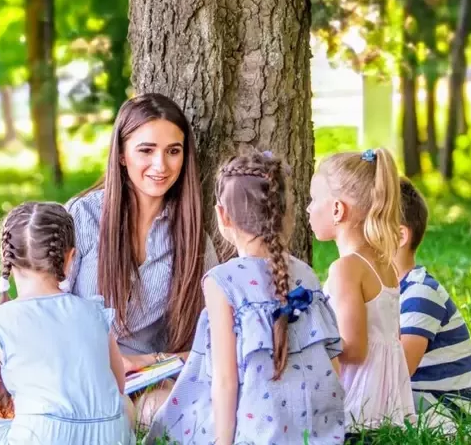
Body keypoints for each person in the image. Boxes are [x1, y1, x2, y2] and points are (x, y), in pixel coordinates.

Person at [145, 151, 346, 445]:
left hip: (254, 431)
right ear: (285, 214)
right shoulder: (305, 275)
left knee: (175, 418)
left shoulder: (222, 282)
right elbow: (332, 362)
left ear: (222, 215)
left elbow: (225, 381)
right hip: (316, 430)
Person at [65, 93, 217, 423]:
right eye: (146, 150)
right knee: (114, 414)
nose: (161, 165)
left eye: (173, 151)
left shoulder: (190, 235)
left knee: (166, 412)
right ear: (121, 154)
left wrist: (155, 360)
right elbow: (46, 311)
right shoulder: (83, 216)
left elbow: (214, 330)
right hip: (78, 372)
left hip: (148, 379)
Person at [0, 202, 134, 444]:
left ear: (7, 258)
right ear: (70, 258)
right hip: (110, 438)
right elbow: (117, 386)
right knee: (126, 406)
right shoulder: (95, 312)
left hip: (41, 438)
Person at [311, 149, 416, 433]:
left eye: (313, 199)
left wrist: (309, 341)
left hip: (359, 405)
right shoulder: (385, 265)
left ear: (337, 209)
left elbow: (354, 350)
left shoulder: (346, 269)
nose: (308, 209)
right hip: (389, 403)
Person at [393, 178, 471, 434]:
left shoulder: (421, 293)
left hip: (441, 412)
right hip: (411, 401)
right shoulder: (388, 291)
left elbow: (398, 371)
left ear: (399, 236)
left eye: (368, 224)